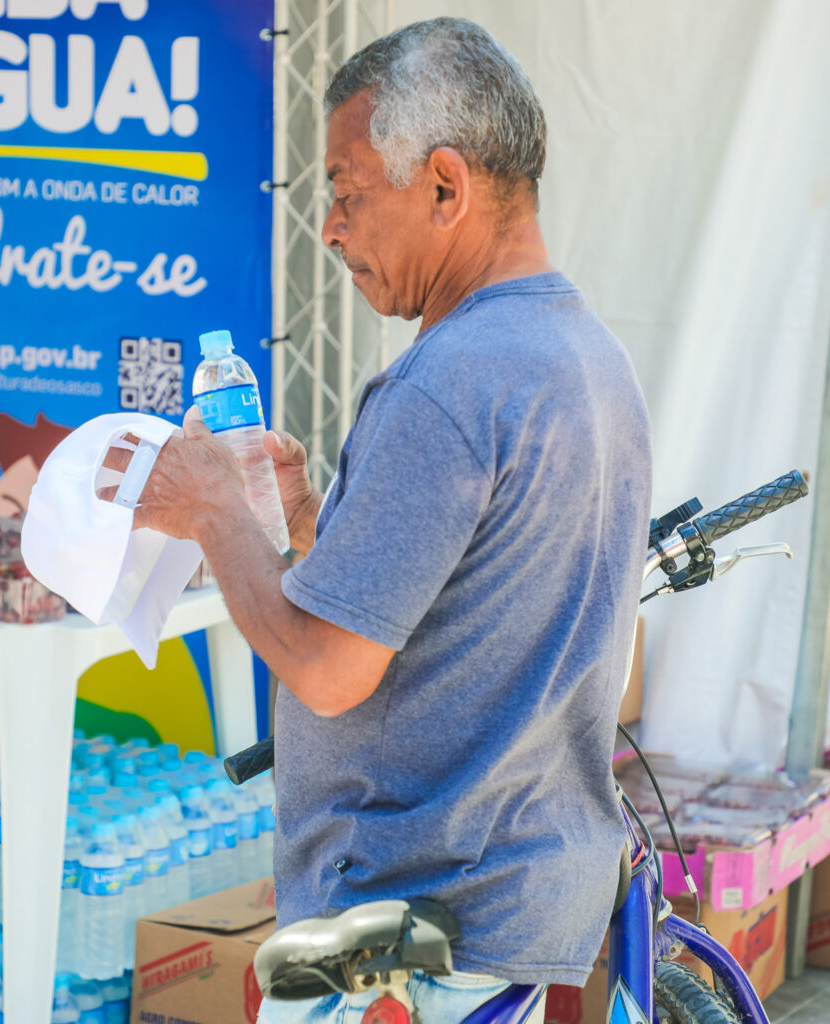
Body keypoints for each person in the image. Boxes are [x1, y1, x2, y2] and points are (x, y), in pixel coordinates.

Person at [102, 17, 652, 1024]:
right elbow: (459, 605)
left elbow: (325, 665)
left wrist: (219, 512)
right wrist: (314, 519)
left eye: (349, 194)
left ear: (445, 186)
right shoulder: (588, 359)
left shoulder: (447, 382)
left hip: (404, 940)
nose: (332, 229)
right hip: (505, 909)